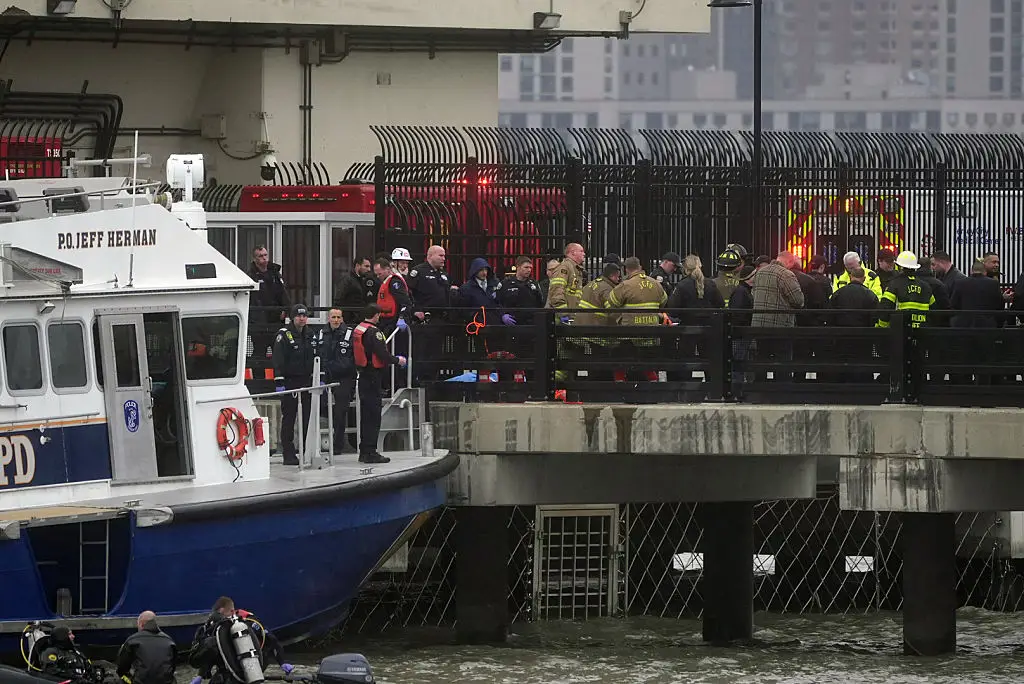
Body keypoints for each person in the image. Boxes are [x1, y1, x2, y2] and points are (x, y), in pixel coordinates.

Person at [353, 304, 407, 464]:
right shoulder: (374, 332)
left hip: (362, 375)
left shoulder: (359, 329)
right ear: (376, 315)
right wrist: (398, 360)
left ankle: (364, 450)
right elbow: (382, 353)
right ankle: (370, 451)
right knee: (373, 416)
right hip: (372, 377)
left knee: (365, 415)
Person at [272, 304, 317, 465]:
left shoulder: (310, 334)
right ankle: (288, 454)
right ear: (292, 317)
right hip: (290, 381)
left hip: (306, 381)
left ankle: (306, 450)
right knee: (289, 419)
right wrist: (279, 381)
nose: (302, 318)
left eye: (304, 315)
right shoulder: (283, 335)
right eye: (299, 316)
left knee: (306, 418)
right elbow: (278, 359)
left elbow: (316, 356)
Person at [316, 308, 356, 455]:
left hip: (344, 377)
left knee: (341, 411)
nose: (336, 320)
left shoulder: (349, 334)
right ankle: (313, 444)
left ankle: (338, 445)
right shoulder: (321, 333)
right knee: (318, 406)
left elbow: (352, 358)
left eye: (339, 317)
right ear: (328, 318)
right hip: (326, 376)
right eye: (333, 317)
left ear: (342, 319)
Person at [247, 245, 290, 363]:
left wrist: (285, 310)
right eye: (260, 256)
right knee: (259, 354)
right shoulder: (250, 276)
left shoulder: (275, 273)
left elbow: (283, 294)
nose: (264, 258)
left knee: (279, 352)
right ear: (255, 259)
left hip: (276, 321)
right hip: (259, 323)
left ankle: (278, 379)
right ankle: (258, 380)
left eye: (265, 255)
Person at [877, 250, 935, 329]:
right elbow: (934, 308)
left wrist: (881, 327)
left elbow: (886, 307)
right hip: (922, 330)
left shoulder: (894, 284)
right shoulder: (925, 286)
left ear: (900, 266)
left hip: (901, 330)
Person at [116, 612, 176, 684]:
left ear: (141, 624)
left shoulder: (132, 640)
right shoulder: (170, 641)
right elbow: (173, 666)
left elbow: (121, 669)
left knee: (121, 679)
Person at [546, 243, 587, 315]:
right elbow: (556, 292)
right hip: (563, 318)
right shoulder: (564, 268)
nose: (584, 254)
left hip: (572, 315)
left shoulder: (575, 269)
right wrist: (564, 314)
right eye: (581, 251)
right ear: (573, 252)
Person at [334, 257, 378, 323]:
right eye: (366, 266)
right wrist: (340, 317)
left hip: (359, 318)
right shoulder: (347, 280)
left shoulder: (363, 280)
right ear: (357, 266)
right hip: (350, 320)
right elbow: (338, 300)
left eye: (369, 267)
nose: (369, 269)